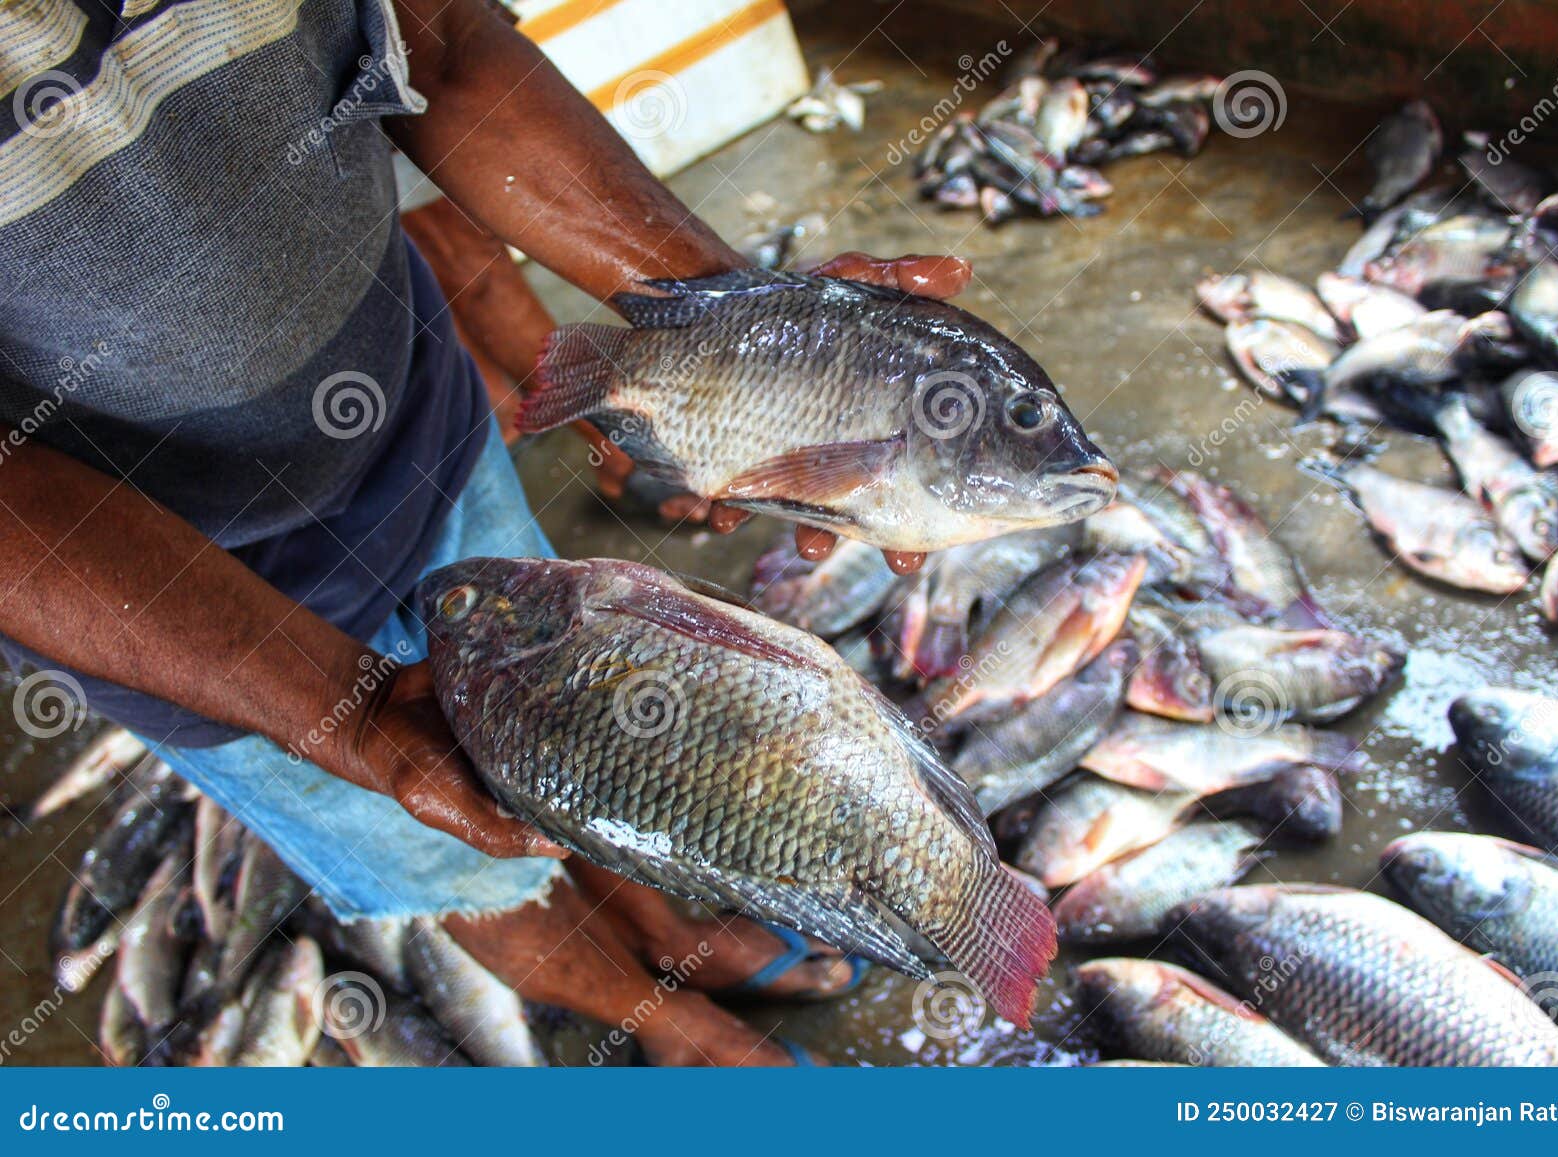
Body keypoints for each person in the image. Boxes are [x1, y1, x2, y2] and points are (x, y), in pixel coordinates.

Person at [0, 1, 968, 1064]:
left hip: (417, 420)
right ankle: (662, 1018)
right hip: (166, 596)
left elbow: (440, 37)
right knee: (445, 845)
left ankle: (661, 919)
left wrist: (746, 329)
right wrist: (346, 717)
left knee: (601, 744)